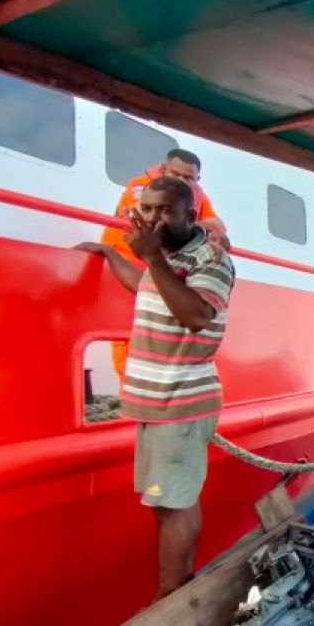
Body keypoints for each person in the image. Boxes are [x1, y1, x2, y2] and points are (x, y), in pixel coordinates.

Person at [76, 176, 235, 599]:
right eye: (146, 209)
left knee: (172, 506)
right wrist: (112, 253)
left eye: (164, 210)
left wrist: (154, 260)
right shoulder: (166, 260)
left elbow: (197, 314)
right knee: (173, 502)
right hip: (157, 405)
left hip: (180, 404)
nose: (152, 219)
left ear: (190, 214)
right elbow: (149, 288)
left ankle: (168, 604)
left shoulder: (210, 259)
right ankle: (180, 594)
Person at [104, 149, 230, 380]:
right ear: (163, 170)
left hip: (164, 271)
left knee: (163, 342)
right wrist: (196, 225)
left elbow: (218, 227)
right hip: (130, 265)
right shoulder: (143, 189)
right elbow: (146, 226)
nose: (180, 181)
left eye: (188, 178)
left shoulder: (197, 197)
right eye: (175, 174)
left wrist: (197, 226)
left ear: (196, 180)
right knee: (129, 349)